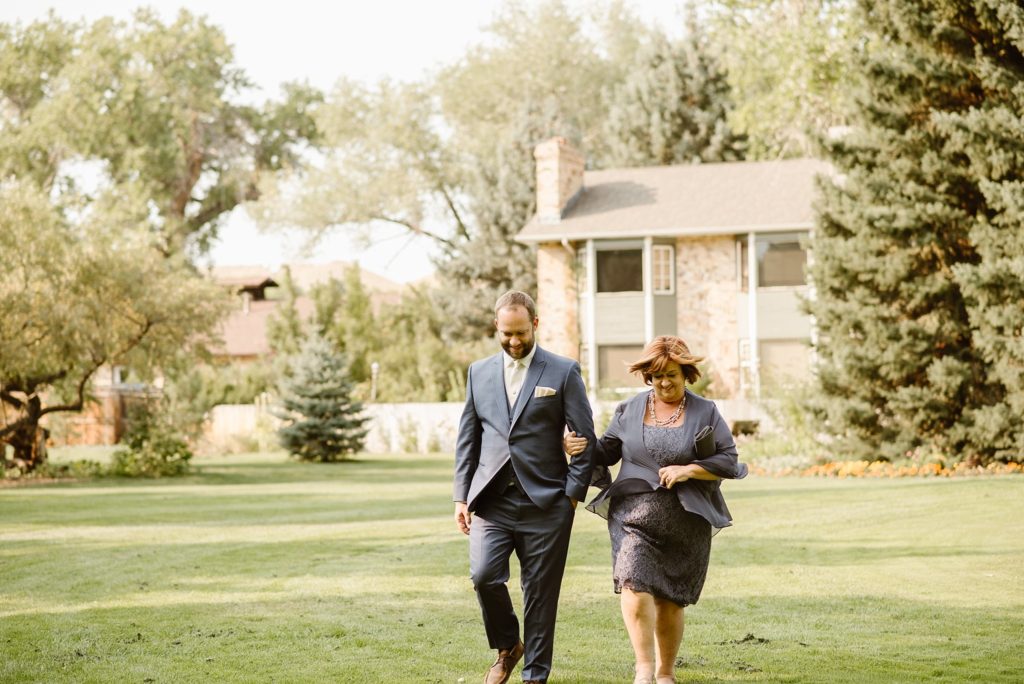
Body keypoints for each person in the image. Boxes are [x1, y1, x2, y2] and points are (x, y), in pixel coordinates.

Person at [563, 336, 747, 684]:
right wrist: (576, 446)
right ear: (647, 375)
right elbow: (606, 453)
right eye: (656, 375)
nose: (664, 382)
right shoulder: (630, 409)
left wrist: (688, 469)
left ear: (687, 374)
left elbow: (728, 460)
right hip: (633, 517)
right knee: (633, 582)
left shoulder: (705, 411)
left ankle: (665, 672)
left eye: (672, 375)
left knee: (670, 601)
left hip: (685, 521)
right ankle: (643, 668)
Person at [453, 290, 597, 684]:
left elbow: (585, 438)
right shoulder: (477, 373)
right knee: (484, 576)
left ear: (535, 325)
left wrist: (571, 495)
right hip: (491, 501)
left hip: (547, 503)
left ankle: (535, 676)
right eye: (506, 334)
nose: (514, 342)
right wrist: (461, 496)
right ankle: (507, 647)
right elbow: (469, 438)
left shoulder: (563, 371)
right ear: (496, 328)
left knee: (540, 596)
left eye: (521, 333)